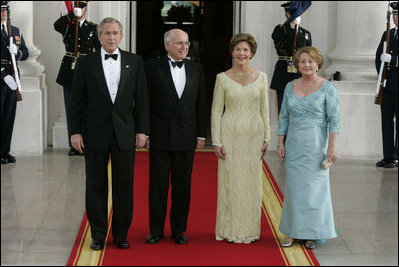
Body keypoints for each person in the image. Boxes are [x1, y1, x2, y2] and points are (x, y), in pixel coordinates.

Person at [69, 17, 149, 250]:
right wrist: (75, 132)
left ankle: (121, 234)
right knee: (95, 186)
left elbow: (142, 99)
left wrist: (142, 130)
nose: (111, 37)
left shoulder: (135, 62)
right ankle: (98, 234)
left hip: (125, 133)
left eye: (115, 33)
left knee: (125, 185)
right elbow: (76, 101)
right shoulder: (86, 63)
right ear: (99, 36)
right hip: (95, 133)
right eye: (107, 33)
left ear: (121, 36)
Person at [144, 28, 207, 245]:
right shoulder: (151, 67)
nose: (184, 47)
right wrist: (146, 132)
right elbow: (145, 103)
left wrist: (201, 135)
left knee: (183, 187)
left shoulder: (196, 68)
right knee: (157, 187)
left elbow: (201, 104)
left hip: (186, 136)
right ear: (167, 45)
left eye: (187, 43)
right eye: (179, 43)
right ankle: (155, 231)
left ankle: (179, 229)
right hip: (159, 136)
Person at [277, 46, 339, 249]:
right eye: (302, 61)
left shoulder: (328, 88)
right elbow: (284, 116)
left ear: (318, 63)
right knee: (294, 190)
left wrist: (331, 149)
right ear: (297, 64)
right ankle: (293, 232)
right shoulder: (289, 86)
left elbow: (335, 121)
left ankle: (313, 233)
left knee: (314, 192)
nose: (306, 65)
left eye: (310, 61)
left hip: (316, 147)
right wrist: (280, 142)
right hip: (294, 146)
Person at [211, 33, 270, 243]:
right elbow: (216, 111)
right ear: (232, 52)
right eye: (238, 49)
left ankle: (249, 230)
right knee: (230, 182)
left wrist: (267, 137)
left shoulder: (262, 77)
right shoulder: (222, 78)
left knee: (251, 184)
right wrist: (216, 141)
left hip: (254, 136)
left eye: (245, 50)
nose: (241, 53)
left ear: (252, 52)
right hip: (230, 136)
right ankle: (228, 229)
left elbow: (265, 110)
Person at [54, 0, 101, 156]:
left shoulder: (93, 28)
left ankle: (86, 142)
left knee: (87, 108)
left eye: (81, 7)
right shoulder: (67, 25)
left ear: (86, 9)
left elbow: (98, 50)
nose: (78, 9)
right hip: (69, 70)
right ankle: (73, 145)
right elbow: (56, 25)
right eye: (76, 6)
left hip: (86, 70)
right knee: (71, 107)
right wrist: (70, 17)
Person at [270, 1, 312, 115]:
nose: (294, 16)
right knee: (283, 109)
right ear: (286, 15)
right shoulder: (281, 29)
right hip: (283, 72)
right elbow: (276, 38)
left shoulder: (305, 34)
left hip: (299, 74)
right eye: (291, 13)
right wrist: (290, 25)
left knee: (299, 110)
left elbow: (309, 54)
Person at [1, 0, 29, 164]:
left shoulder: (15, 30)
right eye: (1, 10)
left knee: (9, 116)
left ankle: (5, 150)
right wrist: (3, 75)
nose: (3, 13)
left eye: (5, 10)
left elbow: (25, 53)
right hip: (3, 77)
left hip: (13, 77)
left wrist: (17, 52)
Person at [375, 1, 398, 168]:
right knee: (386, 122)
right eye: (395, 15)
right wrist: (382, 76)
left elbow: (391, 59)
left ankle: (397, 156)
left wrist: (394, 60)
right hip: (388, 86)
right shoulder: (388, 34)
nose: (396, 18)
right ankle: (388, 155)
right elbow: (378, 58)